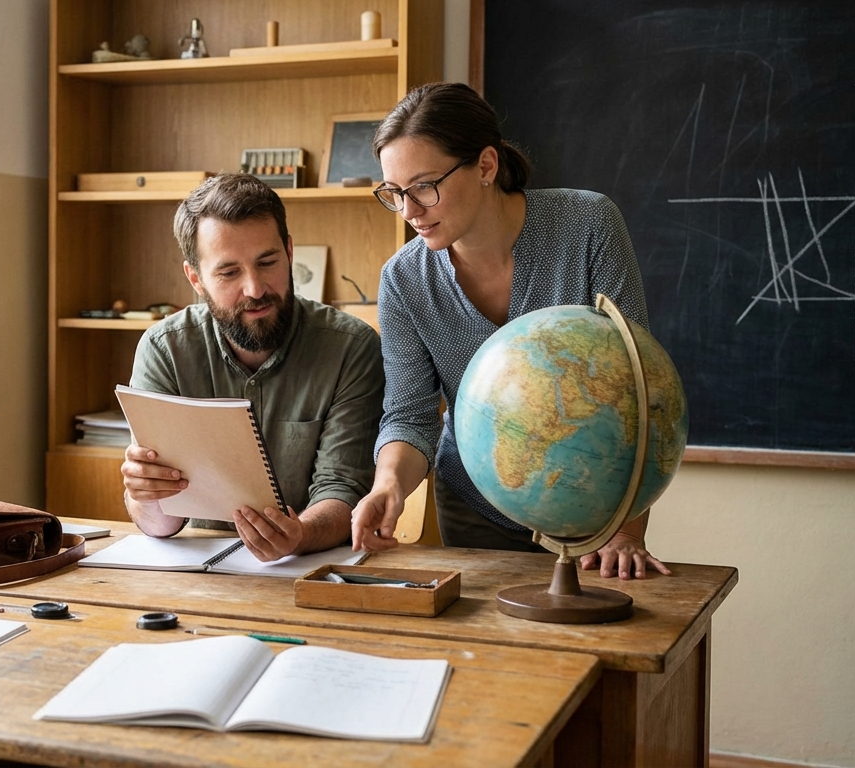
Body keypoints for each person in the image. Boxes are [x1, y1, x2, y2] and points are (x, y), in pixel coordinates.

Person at [349, 82, 671, 580]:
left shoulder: (588, 226)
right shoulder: (403, 280)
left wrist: (626, 533)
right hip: (476, 509)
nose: (409, 211)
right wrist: (388, 485)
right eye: (394, 193)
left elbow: (637, 387)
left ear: (485, 166)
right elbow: (410, 416)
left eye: (424, 186)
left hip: (596, 505)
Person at [122, 173, 385, 562]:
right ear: (196, 279)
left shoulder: (351, 347)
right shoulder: (165, 349)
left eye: (267, 262)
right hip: (198, 570)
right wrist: (145, 493)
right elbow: (160, 523)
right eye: (229, 272)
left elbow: (343, 487)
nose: (255, 289)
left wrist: (299, 535)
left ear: (289, 252)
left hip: (311, 567)